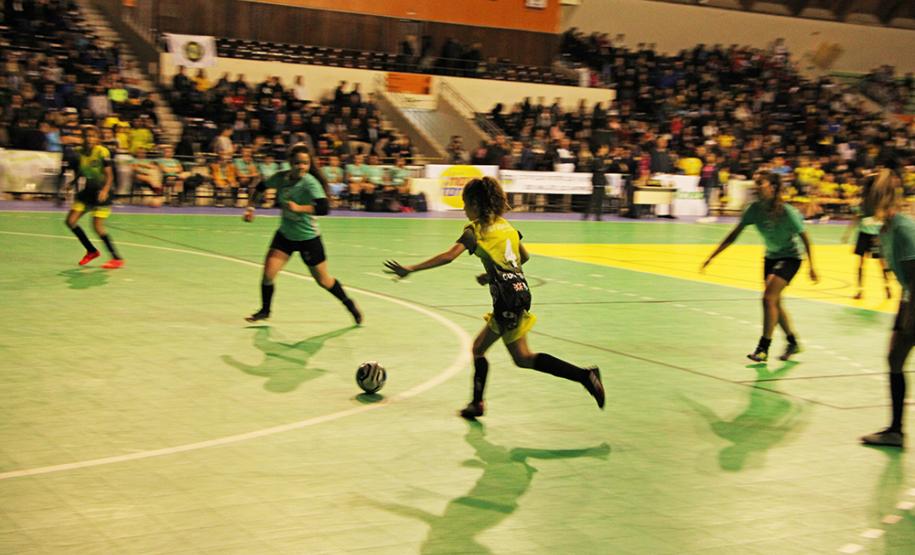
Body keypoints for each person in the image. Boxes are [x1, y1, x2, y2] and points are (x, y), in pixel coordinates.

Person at [383, 177, 605, 418]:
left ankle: (479, 403)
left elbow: (448, 257)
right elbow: (524, 258)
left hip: (507, 300)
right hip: (521, 292)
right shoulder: (507, 226)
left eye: (465, 204)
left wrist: (410, 269)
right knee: (522, 357)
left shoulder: (474, 230)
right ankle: (584, 376)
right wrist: (491, 275)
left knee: (479, 349)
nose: (463, 209)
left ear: (477, 204)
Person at [702, 172, 817, 362]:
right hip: (771, 258)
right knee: (774, 303)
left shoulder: (787, 212)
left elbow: (806, 239)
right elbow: (734, 235)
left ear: (772, 187)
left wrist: (812, 267)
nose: (757, 186)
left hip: (791, 258)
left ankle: (763, 348)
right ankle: (792, 341)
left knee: (768, 298)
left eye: (761, 183)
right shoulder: (754, 210)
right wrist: (712, 256)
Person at [243, 144, 362, 325]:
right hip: (285, 236)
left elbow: (324, 208)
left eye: (305, 163)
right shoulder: (281, 178)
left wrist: (300, 208)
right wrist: (251, 208)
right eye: (298, 163)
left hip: (308, 238)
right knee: (268, 274)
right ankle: (265, 310)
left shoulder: (310, 183)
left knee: (323, 280)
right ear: (291, 163)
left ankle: (349, 304)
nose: (302, 167)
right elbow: (260, 187)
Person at [861, 170, 912, 448]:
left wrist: (909, 317)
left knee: (895, 358)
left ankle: (896, 430)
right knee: (894, 360)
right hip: (909, 298)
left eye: (864, 196)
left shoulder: (903, 228)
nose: (860, 202)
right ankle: (895, 431)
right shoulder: (885, 229)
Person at [65, 126, 124, 269]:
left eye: (92, 136)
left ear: (97, 138)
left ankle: (116, 258)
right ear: (82, 138)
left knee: (97, 227)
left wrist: (105, 190)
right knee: (70, 221)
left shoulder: (101, 152)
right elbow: (82, 170)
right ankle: (91, 251)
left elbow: (110, 175)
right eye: (87, 136)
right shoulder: (80, 152)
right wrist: (72, 183)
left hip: (102, 193)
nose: (89, 139)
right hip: (88, 192)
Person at [842, 174, 892, 300]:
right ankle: (885, 288)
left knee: (865, 264)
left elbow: (859, 218)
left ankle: (863, 291)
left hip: (870, 234)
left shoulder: (871, 201)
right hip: (871, 234)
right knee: (880, 263)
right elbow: (860, 217)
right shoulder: (870, 201)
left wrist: (847, 233)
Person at [584, 143, 610, 221]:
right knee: (594, 199)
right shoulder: (596, 159)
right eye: (604, 148)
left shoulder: (603, 159)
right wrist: (607, 164)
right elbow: (599, 168)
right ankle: (586, 215)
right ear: (600, 149)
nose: (606, 150)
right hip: (597, 180)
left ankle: (598, 216)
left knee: (600, 199)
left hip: (601, 181)